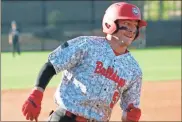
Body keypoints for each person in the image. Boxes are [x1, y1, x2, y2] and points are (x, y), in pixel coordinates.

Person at [22, 2, 147, 122]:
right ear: (110, 23)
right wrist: (36, 93)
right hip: (65, 118)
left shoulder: (134, 70)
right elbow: (51, 65)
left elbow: (128, 111)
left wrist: (130, 116)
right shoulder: (86, 45)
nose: (132, 30)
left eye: (135, 25)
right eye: (127, 23)